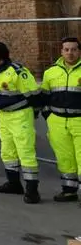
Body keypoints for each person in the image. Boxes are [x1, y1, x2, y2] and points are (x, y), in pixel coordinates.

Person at [0, 41, 41, 204]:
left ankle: (32, 190)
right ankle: (14, 184)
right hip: (4, 116)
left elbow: (34, 95)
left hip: (20, 115)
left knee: (25, 151)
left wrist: (35, 113)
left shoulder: (17, 71)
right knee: (8, 152)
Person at [40, 37, 81, 205]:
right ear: (61, 51)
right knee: (65, 158)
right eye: (67, 49)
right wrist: (48, 115)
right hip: (57, 122)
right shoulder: (50, 72)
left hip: (79, 121)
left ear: (79, 51)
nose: (70, 53)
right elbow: (44, 97)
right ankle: (69, 190)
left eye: (74, 49)